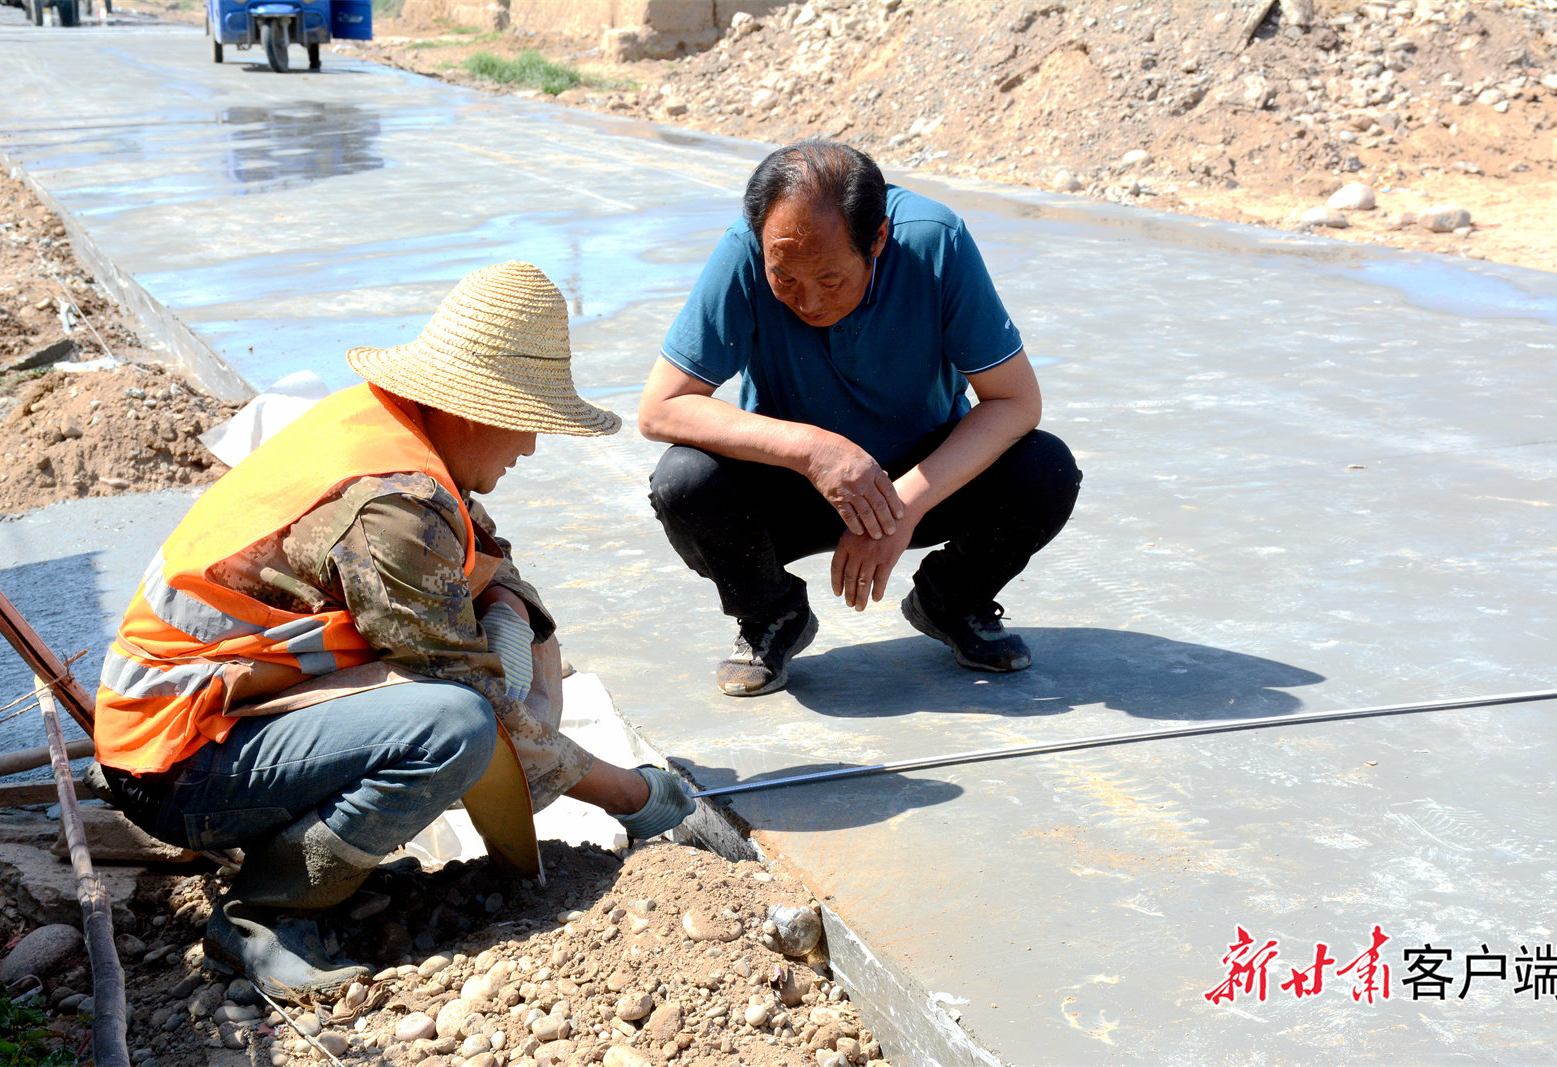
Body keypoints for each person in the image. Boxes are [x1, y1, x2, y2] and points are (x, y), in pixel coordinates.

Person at [91, 262, 694, 998]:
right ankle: (268, 913)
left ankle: (325, 857)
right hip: (175, 763)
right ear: (473, 410)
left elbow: (481, 555)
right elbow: (473, 702)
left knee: (477, 694)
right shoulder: (391, 506)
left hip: (202, 724)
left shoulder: (388, 429)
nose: (531, 447)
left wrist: (512, 610)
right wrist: (629, 793)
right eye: (527, 421)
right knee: (453, 728)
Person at [640, 141, 1082, 696]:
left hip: (920, 477)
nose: (809, 303)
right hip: (794, 485)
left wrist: (901, 506)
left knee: (1045, 468)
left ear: (877, 240)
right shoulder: (746, 249)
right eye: (785, 280)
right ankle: (770, 614)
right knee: (684, 481)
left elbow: (1015, 401)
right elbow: (661, 407)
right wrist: (814, 451)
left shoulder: (934, 242)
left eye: (831, 280)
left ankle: (953, 600)